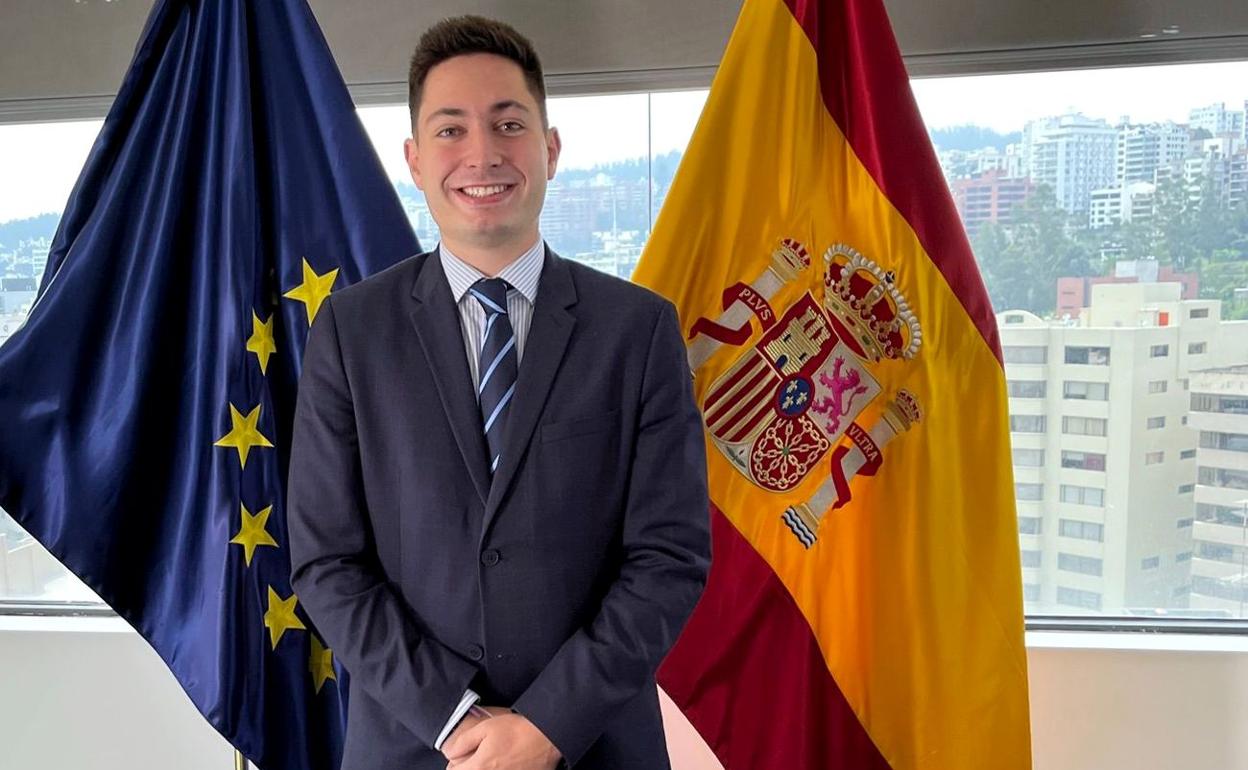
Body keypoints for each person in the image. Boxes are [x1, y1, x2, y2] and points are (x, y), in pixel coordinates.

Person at [287, 15, 711, 770]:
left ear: (549, 149)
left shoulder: (638, 330)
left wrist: (546, 725)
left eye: (508, 124)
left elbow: (668, 557)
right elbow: (327, 562)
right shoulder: (349, 332)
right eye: (451, 131)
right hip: (414, 749)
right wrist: (456, 721)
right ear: (415, 161)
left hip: (595, 747)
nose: (482, 153)